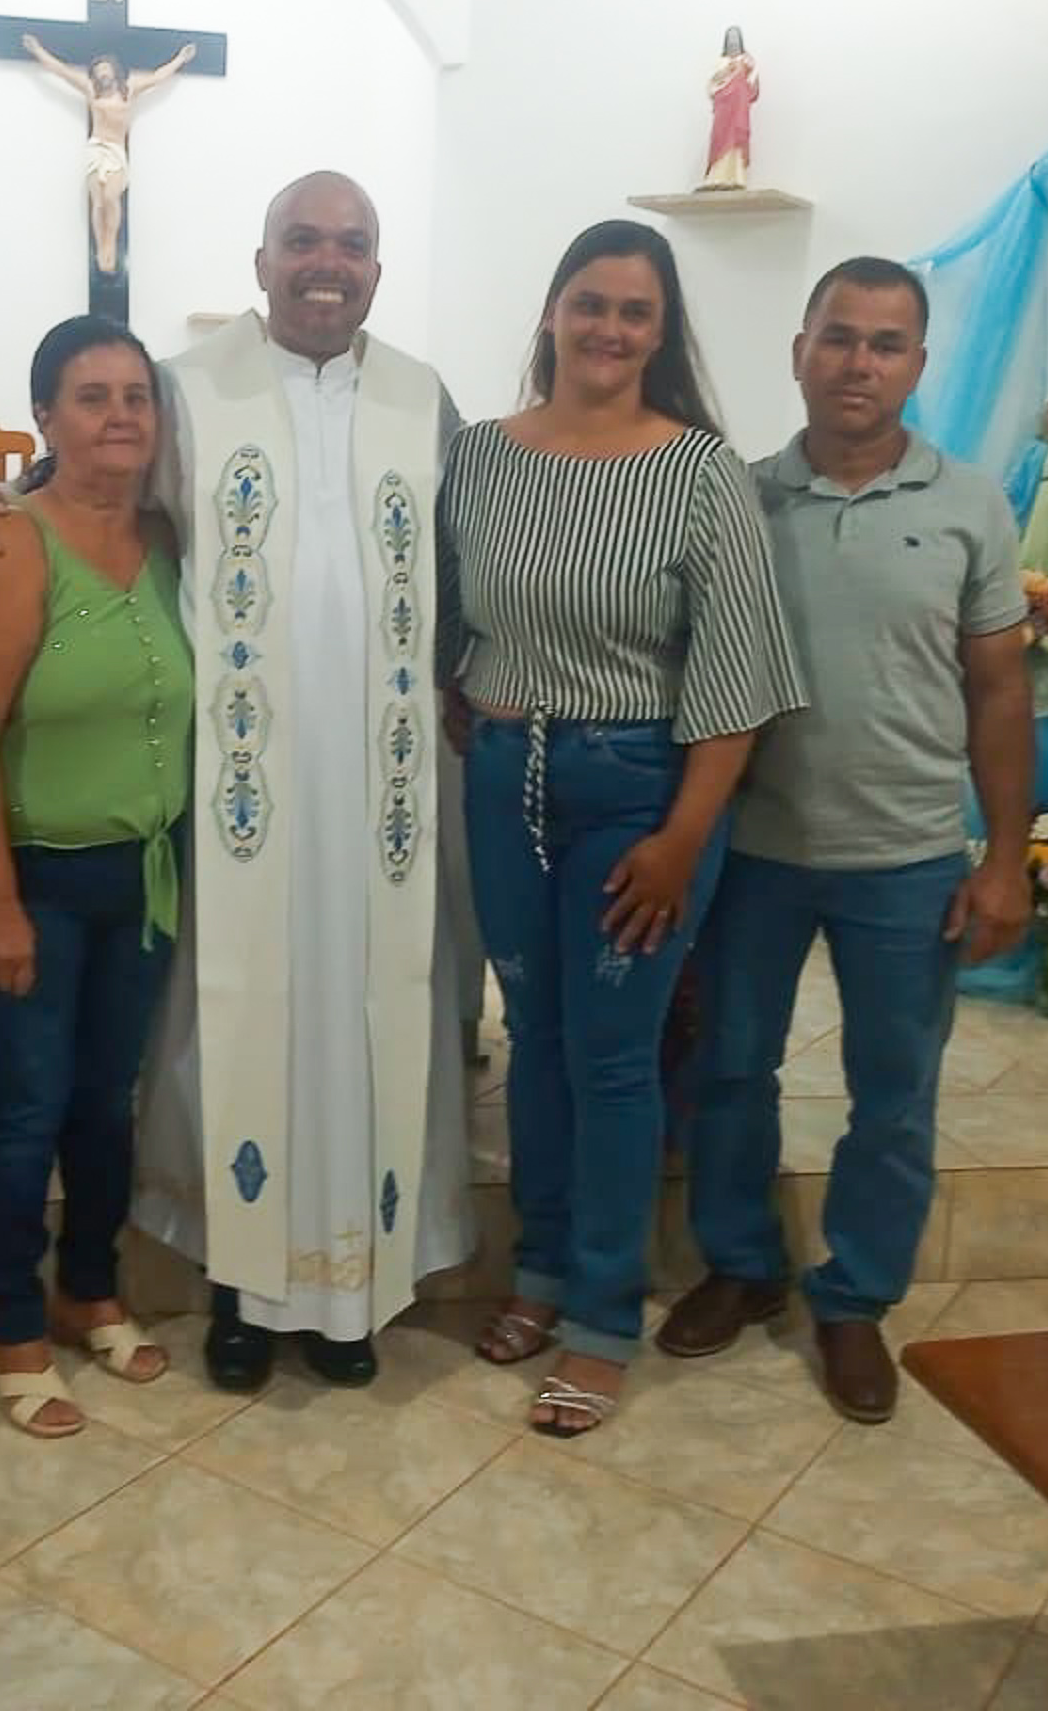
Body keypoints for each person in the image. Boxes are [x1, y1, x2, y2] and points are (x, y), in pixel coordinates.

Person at [0, 170, 476, 1392]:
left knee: (367, 1021)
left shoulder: (423, 400)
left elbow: (468, 560)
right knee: (241, 1028)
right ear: (262, 260)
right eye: (303, 240)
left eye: (351, 243)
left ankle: (351, 1300)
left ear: (376, 269)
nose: (325, 263)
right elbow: (94, 496)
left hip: (381, 806)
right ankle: (244, 1288)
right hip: (247, 806)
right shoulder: (189, 391)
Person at [439, 219, 804, 1438]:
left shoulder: (698, 471)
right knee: (534, 1037)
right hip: (504, 777)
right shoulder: (478, 458)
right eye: (588, 302)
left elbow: (737, 674)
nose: (607, 328)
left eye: (633, 311)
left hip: (637, 788)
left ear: (660, 334)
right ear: (552, 311)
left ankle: (601, 1319)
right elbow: (444, 615)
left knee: (610, 1054)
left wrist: (683, 836)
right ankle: (541, 1269)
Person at [661, 256, 1034, 1424]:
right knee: (729, 1069)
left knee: (893, 1094)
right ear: (798, 351)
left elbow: (1000, 692)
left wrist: (1005, 859)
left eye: (884, 343)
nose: (857, 363)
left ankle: (856, 1296)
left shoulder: (968, 503)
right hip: (753, 854)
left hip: (907, 859)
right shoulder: (738, 497)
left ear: (917, 364)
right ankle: (741, 1264)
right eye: (837, 337)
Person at [0, 314, 193, 1439]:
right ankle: (11, 1324)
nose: (120, 416)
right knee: (26, 1106)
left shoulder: (172, 541)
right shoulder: (8, 542)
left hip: (140, 875)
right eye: (92, 397)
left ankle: (89, 1290)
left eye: (136, 396)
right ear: (45, 415)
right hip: (30, 879)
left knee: (104, 1100)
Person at [20, 34, 199, 276]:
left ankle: (110, 244)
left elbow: (157, 77)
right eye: (98, 71)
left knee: (111, 197)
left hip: (116, 150)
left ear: (114, 71)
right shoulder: (91, 90)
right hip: (96, 148)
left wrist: (180, 59)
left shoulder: (129, 90)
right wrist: (38, 50)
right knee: (98, 201)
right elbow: (62, 71)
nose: (102, 74)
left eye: (106, 69)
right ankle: (100, 246)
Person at [700, 26, 760, 192]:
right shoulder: (720, 62)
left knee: (737, 137)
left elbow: (752, 84)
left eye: (736, 39)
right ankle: (716, 177)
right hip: (723, 107)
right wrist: (727, 70)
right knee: (720, 137)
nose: (733, 43)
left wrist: (745, 70)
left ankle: (736, 176)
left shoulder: (747, 61)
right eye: (730, 39)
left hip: (739, 107)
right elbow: (712, 84)